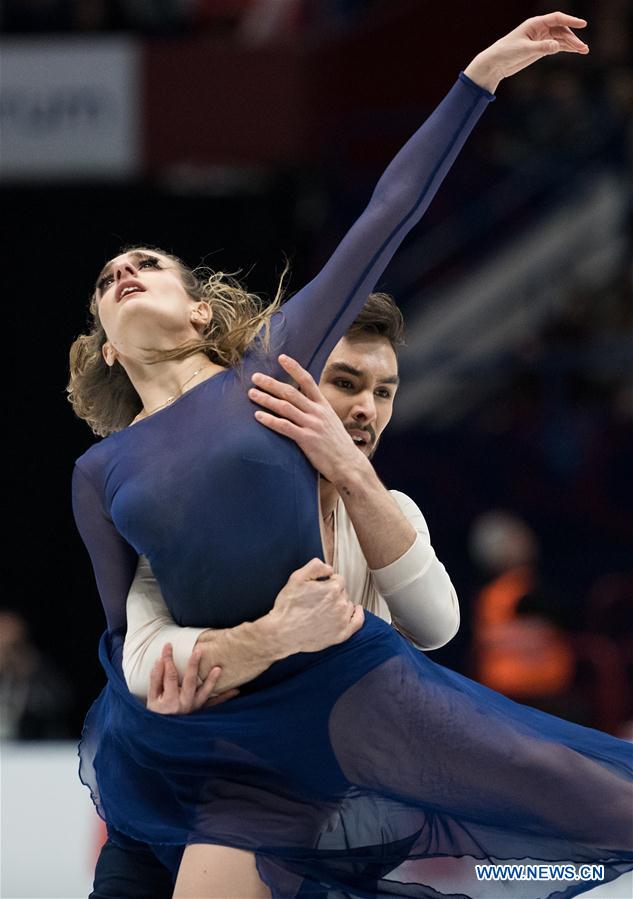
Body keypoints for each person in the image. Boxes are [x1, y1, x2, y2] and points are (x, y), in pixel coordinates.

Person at [69, 14, 632, 899]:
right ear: (106, 343)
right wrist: (163, 678)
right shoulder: (99, 473)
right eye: (108, 280)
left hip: (338, 683)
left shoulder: (271, 367)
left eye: (147, 263)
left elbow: (387, 213)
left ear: (200, 310)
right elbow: (123, 631)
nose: (125, 272)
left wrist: (476, 81)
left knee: (571, 785)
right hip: (203, 725)